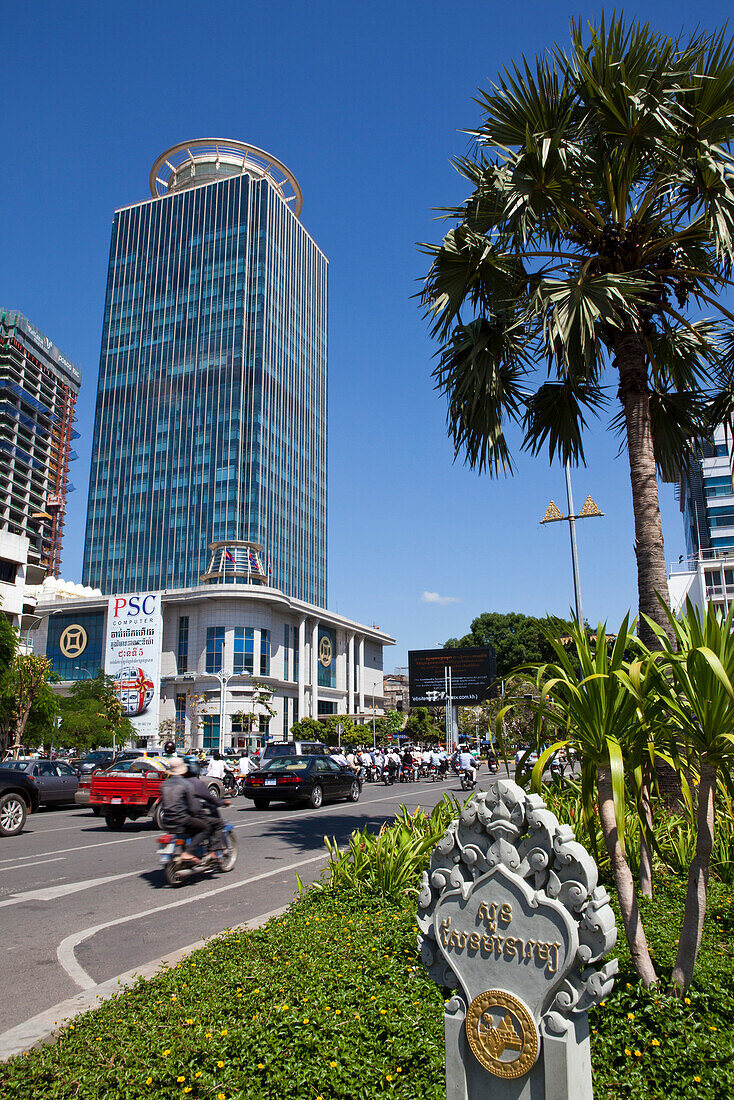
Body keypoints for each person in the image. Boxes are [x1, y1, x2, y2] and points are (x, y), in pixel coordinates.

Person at [159, 757, 216, 862]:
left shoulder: (164, 785)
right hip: (182, 820)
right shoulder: (186, 784)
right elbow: (193, 808)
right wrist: (200, 814)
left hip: (166, 821)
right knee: (206, 828)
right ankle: (188, 852)